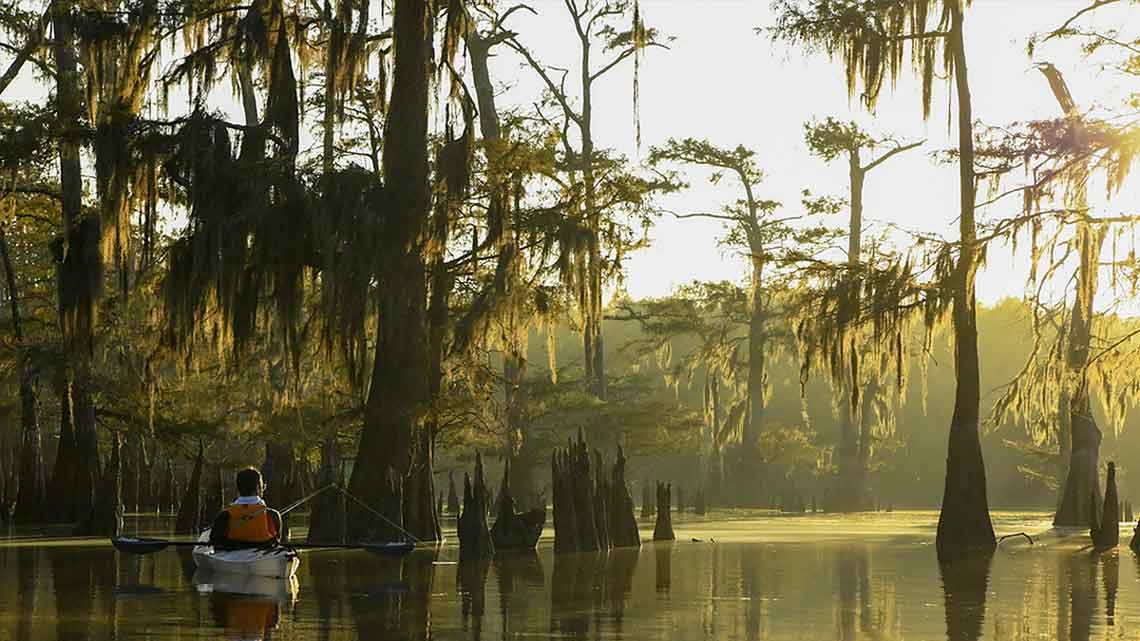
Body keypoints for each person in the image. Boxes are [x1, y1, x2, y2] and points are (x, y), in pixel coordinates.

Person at [209, 468, 286, 550]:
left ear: (238, 488)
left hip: (232, 554)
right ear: (258, 487)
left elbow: (214, 541)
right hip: (262, 555)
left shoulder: (223, 516)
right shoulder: (273, 515)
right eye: (262, 485)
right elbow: (277, 541)